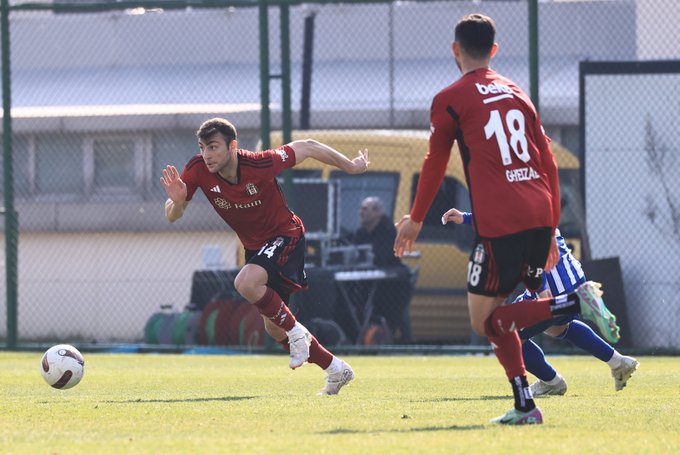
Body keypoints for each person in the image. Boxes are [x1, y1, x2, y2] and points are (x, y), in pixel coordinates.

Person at [393, 13, 620, 425]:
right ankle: (526, 404)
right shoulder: (518, 93)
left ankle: (570, 303)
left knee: (486, 320)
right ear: (494, 50)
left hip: (501, 223)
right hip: (538, 218)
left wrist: (415, 218)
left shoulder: (451, 98)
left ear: (455, 50)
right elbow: (547, 162)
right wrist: (551, 228)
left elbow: (434, 161)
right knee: (513, 319)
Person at [160, 117, 369, 395]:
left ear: (232, 145)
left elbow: (307, 146)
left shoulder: (259, 163)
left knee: (246, 283)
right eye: (202, 148)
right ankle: (335, 369)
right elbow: (173, 215)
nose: (207, 155)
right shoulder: (198, 169)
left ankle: (297, 334)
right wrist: (176, 202)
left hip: (286, 234)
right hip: (257, 247)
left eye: (213, 147)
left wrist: (351, 166)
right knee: (273, 328)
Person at [442, 207, 640, 395]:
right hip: (572, 278)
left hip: (553, 287)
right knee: (558, 328)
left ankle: (552, 382)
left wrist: (542, 293)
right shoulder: (532, 199)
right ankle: (617, 362)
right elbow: (503, 221)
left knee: (504, 334)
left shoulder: (518, 215)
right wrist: (466, 217)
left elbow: (531, 249)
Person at [348, 196, 414, 344]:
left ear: (377, 213)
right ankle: (354, 337)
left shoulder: (387, 231)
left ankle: (386, 336)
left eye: (365, 209)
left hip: (391, 287)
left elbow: (382, 257)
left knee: (384, 307)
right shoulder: (361, 233)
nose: (361, 213)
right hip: (367, 286)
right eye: (361, 209)